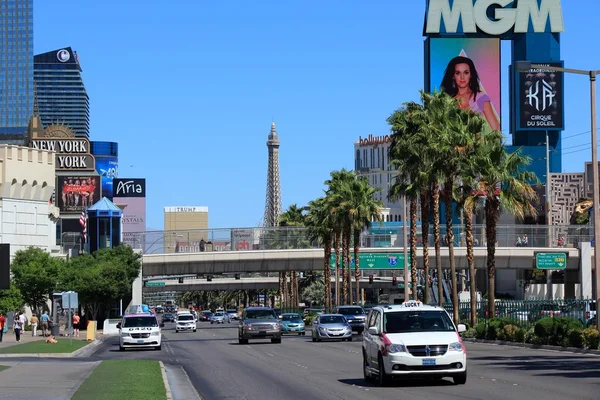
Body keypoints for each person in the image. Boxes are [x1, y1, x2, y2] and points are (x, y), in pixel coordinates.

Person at [441, 56, 501, 131]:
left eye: (466, 72)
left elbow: (497, 130)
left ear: (471, 75)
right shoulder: (446, 99)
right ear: (453, 76)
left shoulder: (480, 98)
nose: (462, 77)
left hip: (476, 142)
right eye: (458, 73)